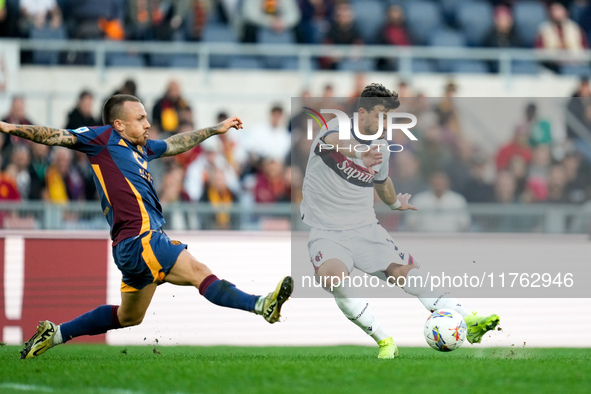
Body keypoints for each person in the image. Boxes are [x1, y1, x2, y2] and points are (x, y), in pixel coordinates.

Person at [0, 94, 293, 359]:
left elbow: (176, 143)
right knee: (199, 273)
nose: (148, 124)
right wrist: (12, 128)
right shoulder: (101, 138)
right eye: (140, 119)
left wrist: (213, 130)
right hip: (142, 240)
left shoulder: (141, 148)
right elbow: (57, 136)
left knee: (129, 317)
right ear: (119, 124)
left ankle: (57, 333)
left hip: (131, 246)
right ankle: (261, 305)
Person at [299, 83, 499, 359]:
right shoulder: (337, 125)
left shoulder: (382, 146)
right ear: (363, 113)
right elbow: (337, 144)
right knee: (333, 279)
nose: (384, 123)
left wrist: (394, 203)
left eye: (388, 117)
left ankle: (467, 318)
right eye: (380, 115)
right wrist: (359, 153)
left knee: (406, 272)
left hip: (365, 228)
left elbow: (382, 182)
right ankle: (384, 340)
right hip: (327, 231)